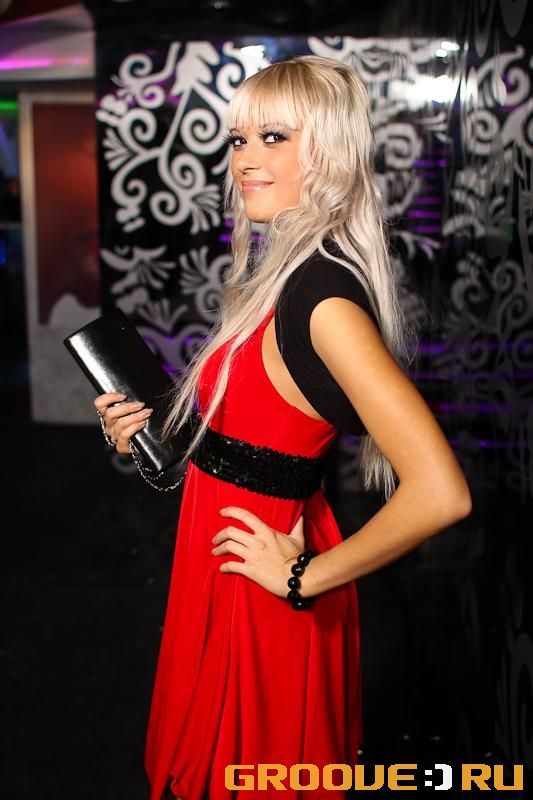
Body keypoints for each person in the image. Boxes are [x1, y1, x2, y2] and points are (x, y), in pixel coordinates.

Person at [93, 55, 472, 800]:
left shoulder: (322, 302)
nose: (244, 159)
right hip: (224, 565)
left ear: (328, 151)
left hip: (265, 588)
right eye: (238, 139)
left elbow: (441, 492)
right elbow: (252, 441)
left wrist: (303, 577)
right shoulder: (281, 276)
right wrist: (146, 434)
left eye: (273, 137)